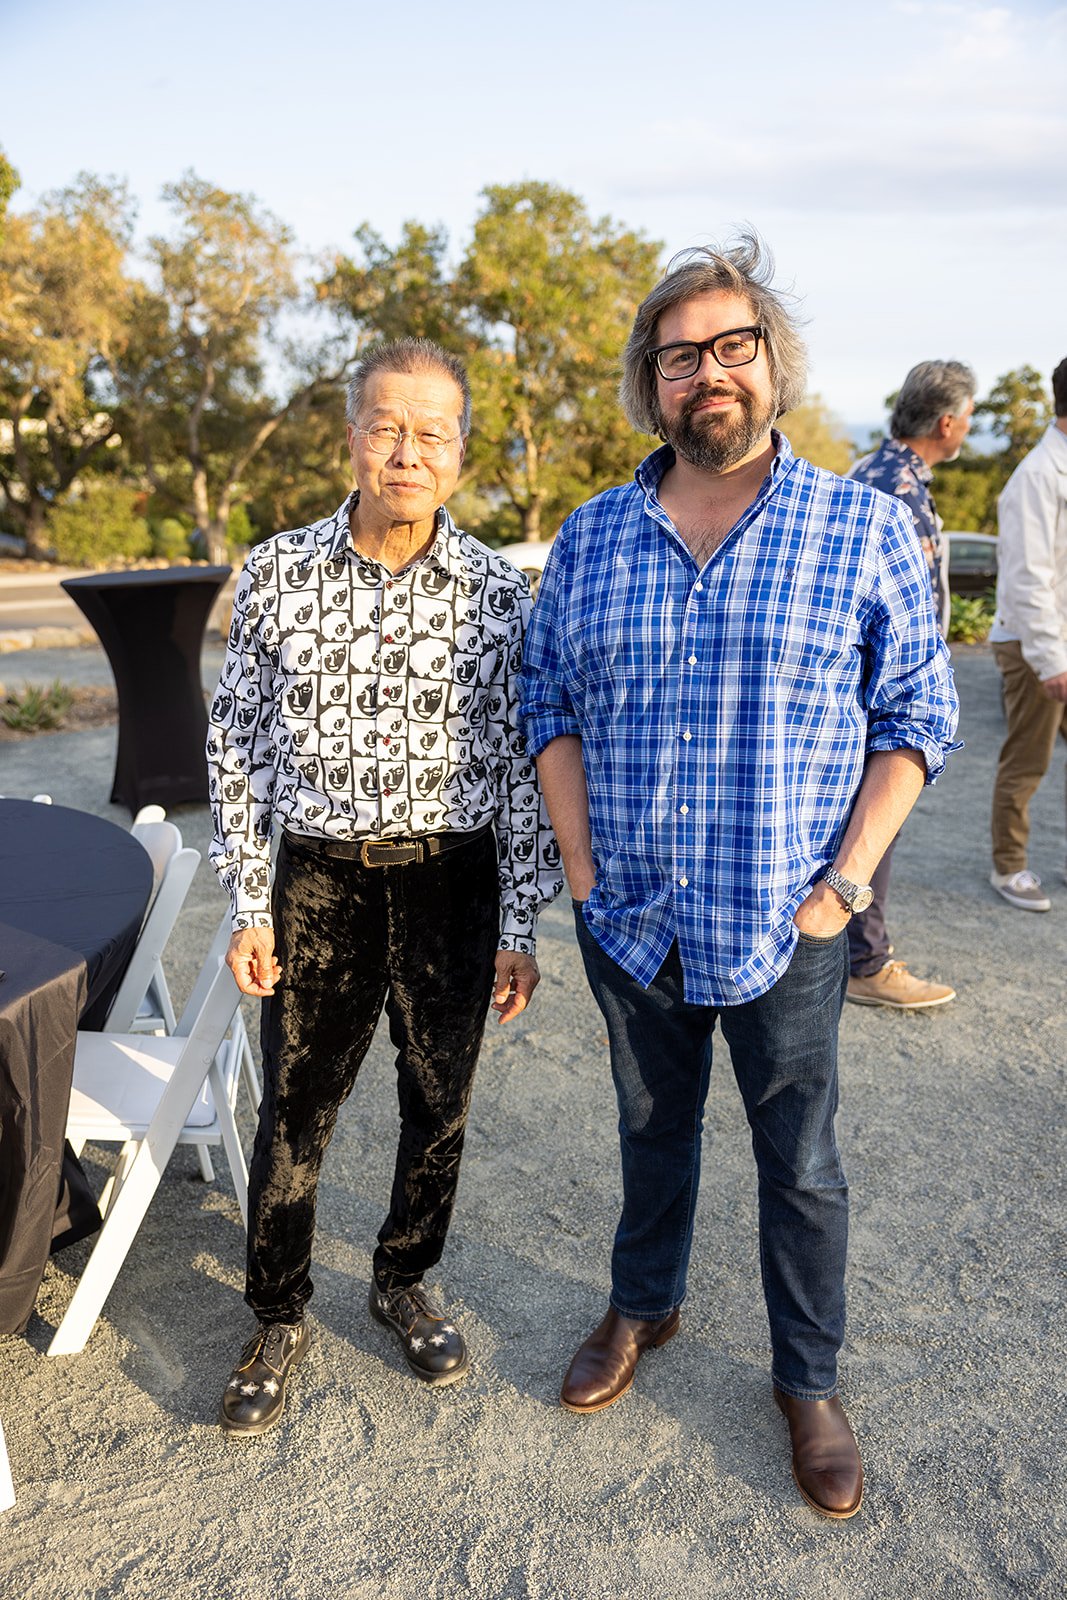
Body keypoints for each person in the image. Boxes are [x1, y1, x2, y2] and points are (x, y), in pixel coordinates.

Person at [520, 234, 959, 1520]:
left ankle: (807, 1380)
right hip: (632, 914)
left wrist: (842, 888)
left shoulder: (861, 527)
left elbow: (914, 719)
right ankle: (641, 1308)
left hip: (787, 917)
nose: (703, 373)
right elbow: (546, 700)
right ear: (647, 385)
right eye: (676, 357)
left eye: (729, 347)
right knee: (650, 1130)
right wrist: (582, 867)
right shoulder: (590, 536)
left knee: (800, 1159)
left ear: (770, 363)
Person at [206, 337, 561, 1436]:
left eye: (433, 432)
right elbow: (237, 750)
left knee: (438, 1103)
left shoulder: (504, 594)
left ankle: (403, 1276)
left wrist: (518, 919)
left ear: (460, 452)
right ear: (352, 438)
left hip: (452, 883)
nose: (408, 451)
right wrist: (250, 902)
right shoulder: (274, 573)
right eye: (387, 427)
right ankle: (274, 1308)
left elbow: (518, 766)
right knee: (295, 1114)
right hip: (319, 880)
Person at [845, 360, 975, 1007]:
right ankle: (865, 964)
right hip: (881, 689)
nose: (967, 431)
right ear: (946, 421)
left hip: (866, 682)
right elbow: (901, 608)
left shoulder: (873, 470)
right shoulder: (896, 486)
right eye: (968, 419)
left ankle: (853, 953)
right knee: (875, 817)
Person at [989, 356, 1067, 911]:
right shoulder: (1038, 476)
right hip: (1034, 643)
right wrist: (1051, 661)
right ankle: (1009, 868)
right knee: (1027, 761)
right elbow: (1027, 577)